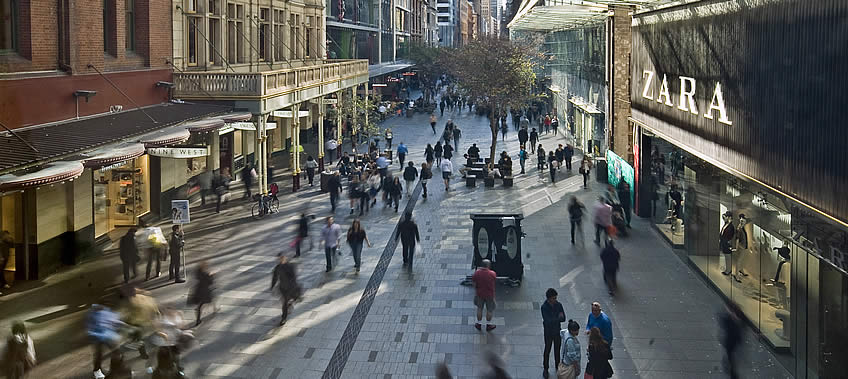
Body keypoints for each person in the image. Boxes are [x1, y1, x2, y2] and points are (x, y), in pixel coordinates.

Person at [87, 304, 123, 379]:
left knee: (116, 352)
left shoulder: (106, 310)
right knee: (99, 355)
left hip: (107, 336)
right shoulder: (93, 313)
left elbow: (113, 321)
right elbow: (90, 328)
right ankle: (97, 371)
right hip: (98, 337)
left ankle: (114, 370)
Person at [271, 255, 302, 325]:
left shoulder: (290, 266)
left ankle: (289, 304)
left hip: (290, 287)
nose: (281, 260)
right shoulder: (278, 267)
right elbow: (275, 277)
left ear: (285, 259)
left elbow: (294, 277)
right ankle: (284, 318)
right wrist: (272, 286)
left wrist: (293, 285)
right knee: (284, 302)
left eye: (282, 258)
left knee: (294, 299)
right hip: (283, 288)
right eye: (280, 259)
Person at [541, 288, 566, 375]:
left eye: (555, 298)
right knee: (547, 349)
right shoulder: (544, 307)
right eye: (553, 298)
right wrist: (557, 318)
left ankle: (557, 366)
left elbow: (563, 318)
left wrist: (555, 319)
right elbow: (547, 321)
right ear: (549, 298)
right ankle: (545, 368)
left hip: (557, 331)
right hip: (548, 332)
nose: (555, 300)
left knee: (557, 350)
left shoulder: (558, 305)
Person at [471, 259, 497, 331]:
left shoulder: (477, 273)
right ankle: (488, 325)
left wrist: (476, 289)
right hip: (489, 295)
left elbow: (473, 283)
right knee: (489, 310)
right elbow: (494, 281)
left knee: (479, 308)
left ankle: (479, 324)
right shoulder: (492, 273)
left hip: (479, 294)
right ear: (488, 266)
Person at [719, 302, 743, 379]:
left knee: (732, 355)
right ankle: (733, 374)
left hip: (734, 341)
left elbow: (743, 326)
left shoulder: (739, 317)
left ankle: (729, 365)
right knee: (731, 356)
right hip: (729, 341)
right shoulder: (727, 318)